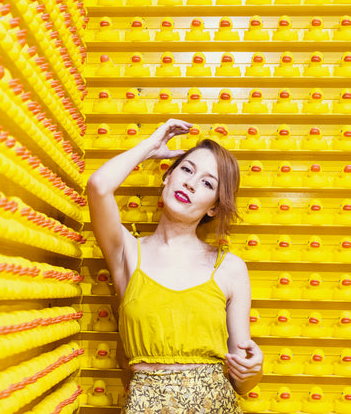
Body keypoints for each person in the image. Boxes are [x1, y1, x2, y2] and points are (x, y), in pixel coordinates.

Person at [86, 119, 263, 413]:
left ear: (214, 206)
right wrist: (149, 147)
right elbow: (98, 186)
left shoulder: (230, 268)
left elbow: (243, 379)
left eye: (207, 183)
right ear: (166, 177)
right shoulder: (127, 252)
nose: (190, 183)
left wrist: (252, 372)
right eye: (186, 169)